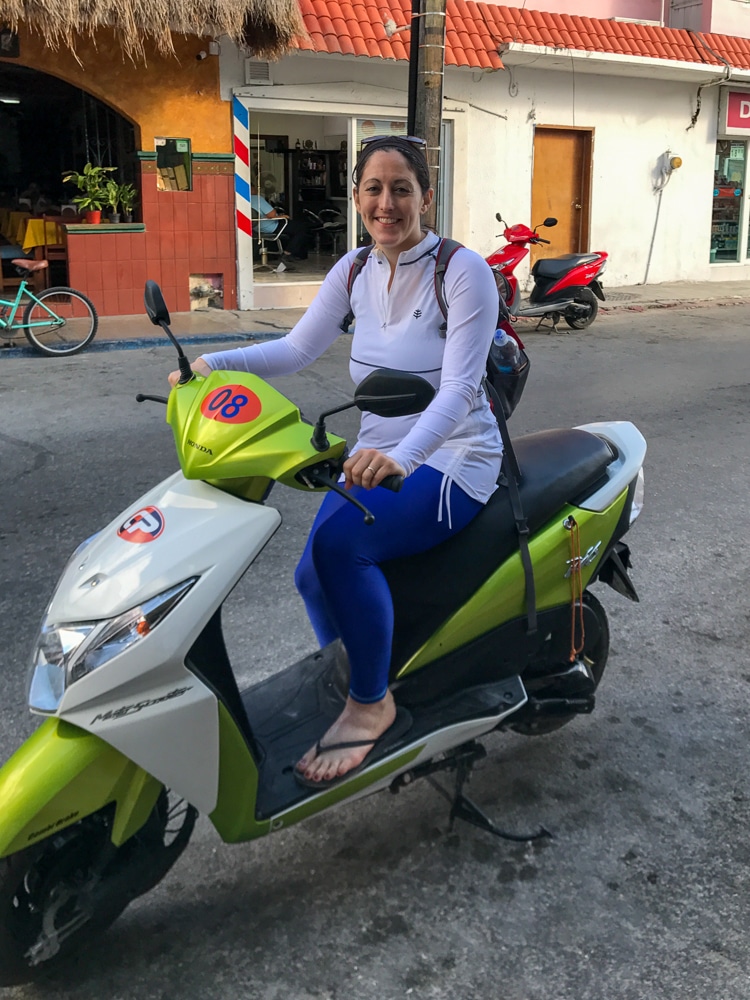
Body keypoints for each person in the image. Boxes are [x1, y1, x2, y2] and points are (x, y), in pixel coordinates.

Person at [169, 135, 502, 788]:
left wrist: (404, 457)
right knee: (312, 577)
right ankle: (359, 667)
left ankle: (372, 702)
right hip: (378, 454)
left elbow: (462, 390)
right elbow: (295, 350)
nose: (387, 203)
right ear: (356, 198)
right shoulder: (354, 269)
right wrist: (210, 366)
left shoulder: (461, 272)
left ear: (426, 197)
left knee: (340, 549)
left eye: (402, 189)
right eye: (374, 189)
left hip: (452, 459)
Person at [249, 182, 308, 260]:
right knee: (301, 227)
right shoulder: (257, 199)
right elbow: (272, 214)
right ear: (251, 188)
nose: (256, 190)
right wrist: (282, 216)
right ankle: (288, 253)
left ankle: (295, 253)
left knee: (293, 228)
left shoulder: (242, 200)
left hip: (256, 229)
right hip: (271, 226)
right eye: (255, 188)